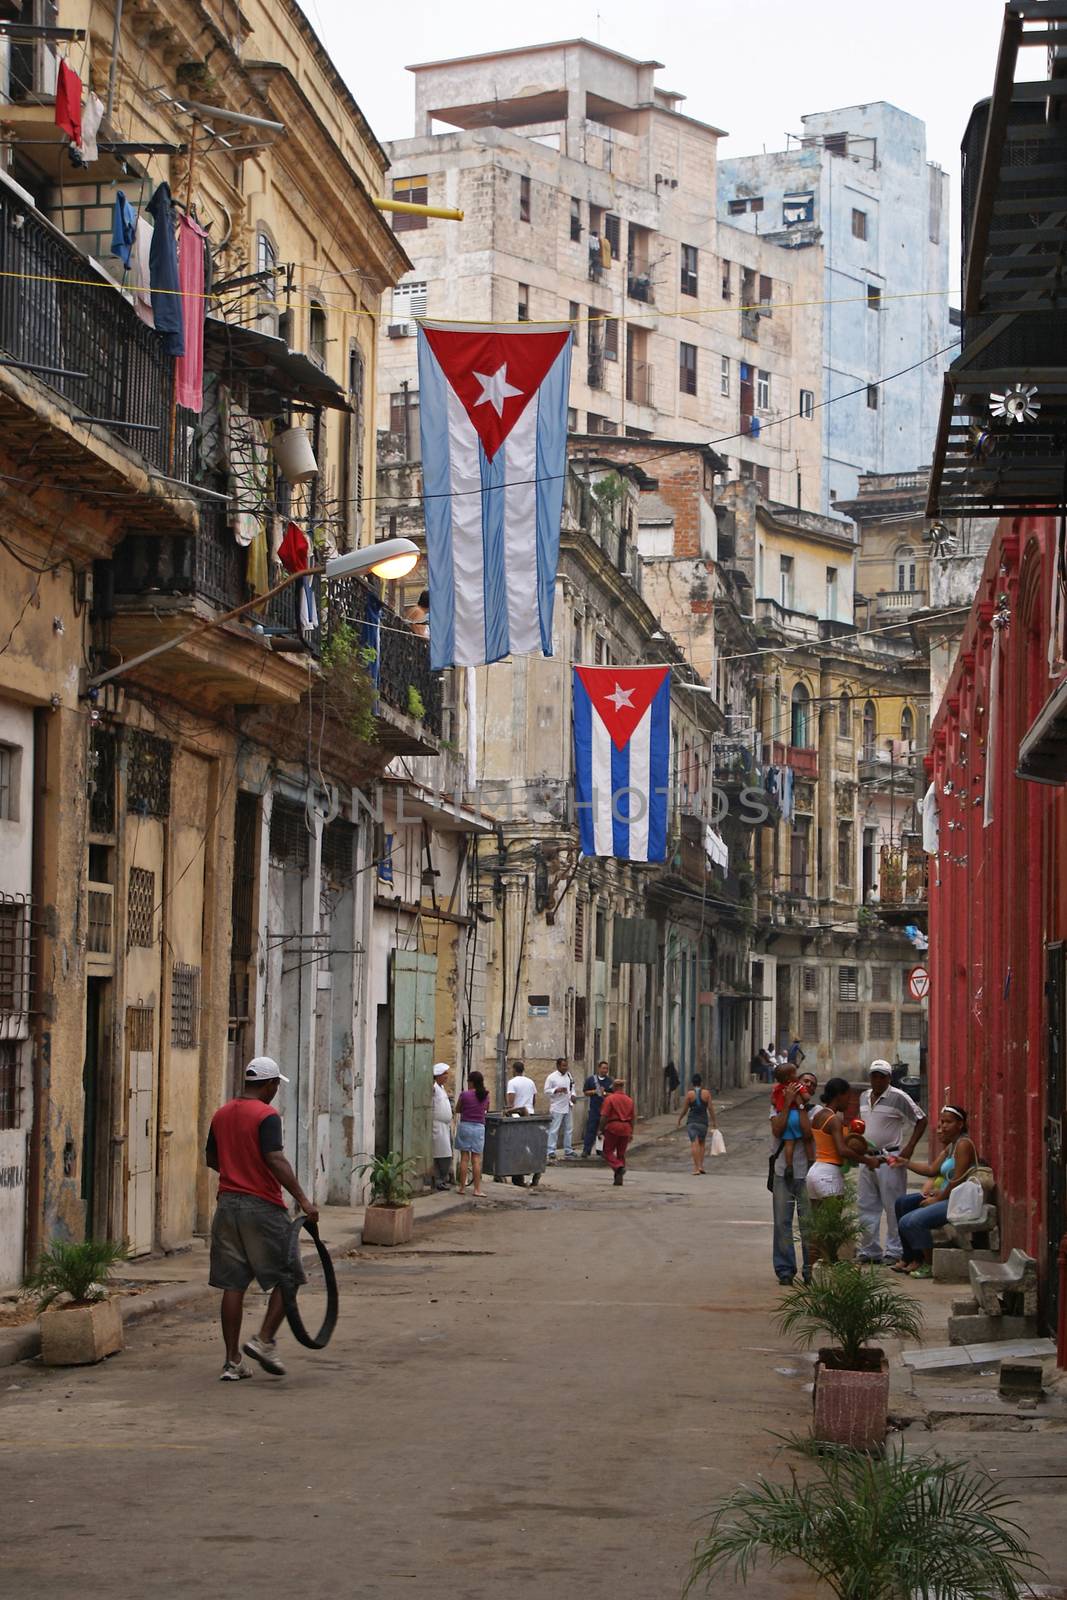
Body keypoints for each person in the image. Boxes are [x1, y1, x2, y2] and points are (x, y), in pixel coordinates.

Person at [205, 1056, 318, 1382]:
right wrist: (303, 1199)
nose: (275, 1092)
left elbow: (211, 1157)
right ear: (268, 1085)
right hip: (262, 1207)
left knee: (232, 1283)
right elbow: (275, 1159)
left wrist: (236, 1171)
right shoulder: (267, 1115)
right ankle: (264, 1340)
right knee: (290, 1275)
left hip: (227, 1206)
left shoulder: (222, 1113)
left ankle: (231, 1362)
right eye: (275, 1086)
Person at [890, 1104, 977, 1278]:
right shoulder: (951, 1146)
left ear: (960, 1124)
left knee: (912, 1221)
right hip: (944, 1196)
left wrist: (937, 1200)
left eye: (948, 1122)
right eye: (942, 1121)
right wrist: (905, 1162)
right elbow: (931, 1170)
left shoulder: (964, 1145)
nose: (943, 1126)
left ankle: (928, 1264)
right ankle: (911, 1257)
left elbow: (957, 1181)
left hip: (955, 1201)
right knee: (902, 1203)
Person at [856, 1060, 927, 1265]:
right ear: (870, 1077)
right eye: (874, 1076)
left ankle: (894, 1251)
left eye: (882, 1076)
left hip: (890, 1158)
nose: (877, 1080)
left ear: (889, 1078)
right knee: (866, 1205)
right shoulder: (863, 1096)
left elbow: (922, 1120)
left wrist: (910, 1147)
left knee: (893, 1205)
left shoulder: (899, 1097)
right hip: (868, 1158)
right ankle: (870, 1250)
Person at [770, 1070, 817, 1285]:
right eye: (803, 1080)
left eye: (810, 1083)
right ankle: (785, 1270)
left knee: (809, 1224)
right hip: (782, 1172)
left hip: (807, 1175)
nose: (805, 1083)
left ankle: (810, 1269)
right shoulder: (778, 1103)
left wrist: (799, 1106)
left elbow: (807, 1134)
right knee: (782, 1223)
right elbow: (778, 1130)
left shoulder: (816, 1111)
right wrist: (788, 1102)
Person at [806, 1077, 882, 1204]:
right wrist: (868, 1161)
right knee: (833, 1222)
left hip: (814, 1173)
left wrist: (870, 1152)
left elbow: (838, 1145)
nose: (849, 1102)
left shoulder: (818, 1115)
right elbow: (842, 1150)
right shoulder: (834, 1119)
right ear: (839, 1095)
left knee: (819, 1222)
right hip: (829, 1175)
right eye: (848, 1097)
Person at [770, 1061, 814, 1181]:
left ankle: (789, 1166)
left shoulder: (777, 1088)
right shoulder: (796, 1085)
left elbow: (773, 1101)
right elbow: (806, 1097)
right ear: (789, 1077)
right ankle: (811, 1161)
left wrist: (782, 1102)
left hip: (783, 1116)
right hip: (796, 1115)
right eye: (795, 1073)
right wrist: (800, 1099)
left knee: (789, 1143)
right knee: (807, 1141)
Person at [455, 1071, 490, 1197]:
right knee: (476, 1160)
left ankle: (462, 1188)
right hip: (479, 1128)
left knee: (464, 1158)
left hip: (465, 1126)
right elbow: (486, 1109)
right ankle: (477, 1189)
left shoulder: (464, 1095)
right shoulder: (485, 1095)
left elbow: (457, 1109)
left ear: (471, 1082)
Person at [676, 1073, 717, 1174]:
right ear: (701, 1083)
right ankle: (701, 1166)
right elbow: (710, 1108)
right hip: (703, 1122)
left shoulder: (690, 1094)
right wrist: (714, 1121)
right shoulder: (706, 1093)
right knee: (702, 1143)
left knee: (694, 1143)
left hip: (692, 1122)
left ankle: (696, 1168)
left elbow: (685, 1109)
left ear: (692, 1083)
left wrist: (679, 1119)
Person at [600, 1078, 635, 1185]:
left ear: (614, 1087)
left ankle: (618, 1167)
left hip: (613, 1127)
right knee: (621, 1153)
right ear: (622, 1087)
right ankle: (619, 1178)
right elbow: (633, 1118)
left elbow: (604, 1116)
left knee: (607, 1151)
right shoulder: (629, 1100)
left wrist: (600, 1129)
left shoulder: (610, 1099)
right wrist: (631, 1132)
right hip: (626, 1128)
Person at [544, 1056, 577, 1160]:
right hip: (557, 1106)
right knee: (554, 1129)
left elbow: (572, 1088)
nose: (565, 1068)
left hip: (567, 1105)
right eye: (563, 1066)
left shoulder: (569, 1076)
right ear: (558, 1066)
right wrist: (556, 1090)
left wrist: (573, 1095)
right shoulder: (551, 1077)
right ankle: (551, 1150)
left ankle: (568, 1149)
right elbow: (546, 1090)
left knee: (569, 1128)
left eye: (566, 1066)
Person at [582, 1060, 613, 1156]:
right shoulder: (591, 1080)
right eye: (603, 1068)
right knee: (591, 1129)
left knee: (602, 1131)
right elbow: (586, 1092)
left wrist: (604, 1093)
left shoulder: (610, 1081)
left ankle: (600, 1150)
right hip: (594, 1109)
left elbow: (613, 1094)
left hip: (605, 1110)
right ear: (599, 1068)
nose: (605, 1070)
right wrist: (595, 1091)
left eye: (607, 1068)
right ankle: (586, 1150)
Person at [431, 1062, 453, 1190]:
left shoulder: (442, 1087)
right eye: (444, 1074)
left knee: (445, 1153)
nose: (446, 1076)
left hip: (444, 1126)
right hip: (437, 1126)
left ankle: (441, 1180)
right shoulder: (434, 1087)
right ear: (438, 1075)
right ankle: (438, 1180)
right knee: (441, 1154)